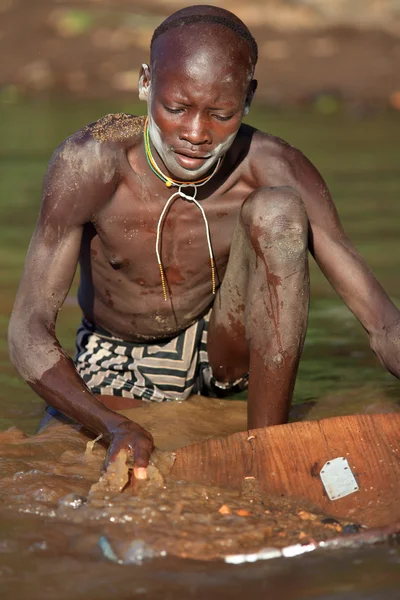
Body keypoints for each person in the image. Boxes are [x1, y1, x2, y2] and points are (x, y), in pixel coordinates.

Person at [8, 5, 400, 480]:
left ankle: (266, 453)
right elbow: (27, 331)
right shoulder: (91, 163)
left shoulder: (273, 165)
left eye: (221, 114)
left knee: (278, 209)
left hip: (224, 354)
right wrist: (112, 426)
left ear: (248, 98)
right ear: (145, 83)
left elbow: (382, 324)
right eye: (176, 109)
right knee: (70, 467)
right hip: (121, 359)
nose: (195, 134)